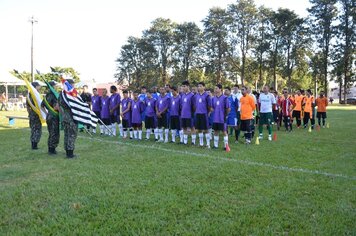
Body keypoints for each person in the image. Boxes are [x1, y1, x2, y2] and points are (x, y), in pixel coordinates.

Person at [58, 79, 77, 158]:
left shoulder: (61, 94)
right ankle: (70, 153)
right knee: (71, 135)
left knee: (66, 134)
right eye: (73, 84)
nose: (74, 86)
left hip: (64, 116)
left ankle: (67, 150)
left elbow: (59, 105)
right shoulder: (70, 94)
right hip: (71, 117)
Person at [42, 81, 60, 155]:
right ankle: (52, 150)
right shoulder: (54, 95)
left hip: (49, 116)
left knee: (51, 133)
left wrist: (46, 113)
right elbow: (56, 107)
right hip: (54, 116)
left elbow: (42, 106)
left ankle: (50, 149)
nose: (57, 87)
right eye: (56, 86)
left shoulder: (47, 95)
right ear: (52, 86)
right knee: (54, 133)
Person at [211, 84, 230, 150]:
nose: (215, 90)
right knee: (216, 132)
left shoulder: (225, 98)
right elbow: (212, 108)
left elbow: (228, 108)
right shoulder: (213, 98)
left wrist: (226, 115)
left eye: (216, 88)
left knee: (224, 132)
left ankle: (226, 146)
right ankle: (215, 146)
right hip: (215, 118)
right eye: (214, 88)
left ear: (220, 89)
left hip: (222, 118)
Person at [194, 82, 212, 148]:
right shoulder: (196, 95)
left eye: (201, 86)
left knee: (206, 129)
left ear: (204, 87)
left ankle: (208, 144)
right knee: (199, 129)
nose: (199, 87)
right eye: (198, 86)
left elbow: (209, 106)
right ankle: (201, 143)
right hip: (197, 114)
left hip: (204, 114)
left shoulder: (207, 96)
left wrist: (208, 113)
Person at [27, 82, 42, 150]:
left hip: (31, 115)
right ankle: (34, 145)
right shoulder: (35, 95)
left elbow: (27, 106)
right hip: (36, 115)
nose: (40, 87)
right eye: (39, 86)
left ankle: (33, 144)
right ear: (35, 87)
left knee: (33, 129)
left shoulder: (28, 95)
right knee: (37, 130)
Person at [180, 81, 195, 145]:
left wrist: (192, 113)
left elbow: (194, 106)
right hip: (183, 114)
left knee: (192, 128)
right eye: (182, 86)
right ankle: (185, 142)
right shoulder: (183, 95)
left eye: (184, 86)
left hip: (189, 114)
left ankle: (193, 142)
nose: (183, 88)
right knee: (184, 127)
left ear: (188, 87)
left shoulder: (192, 95)